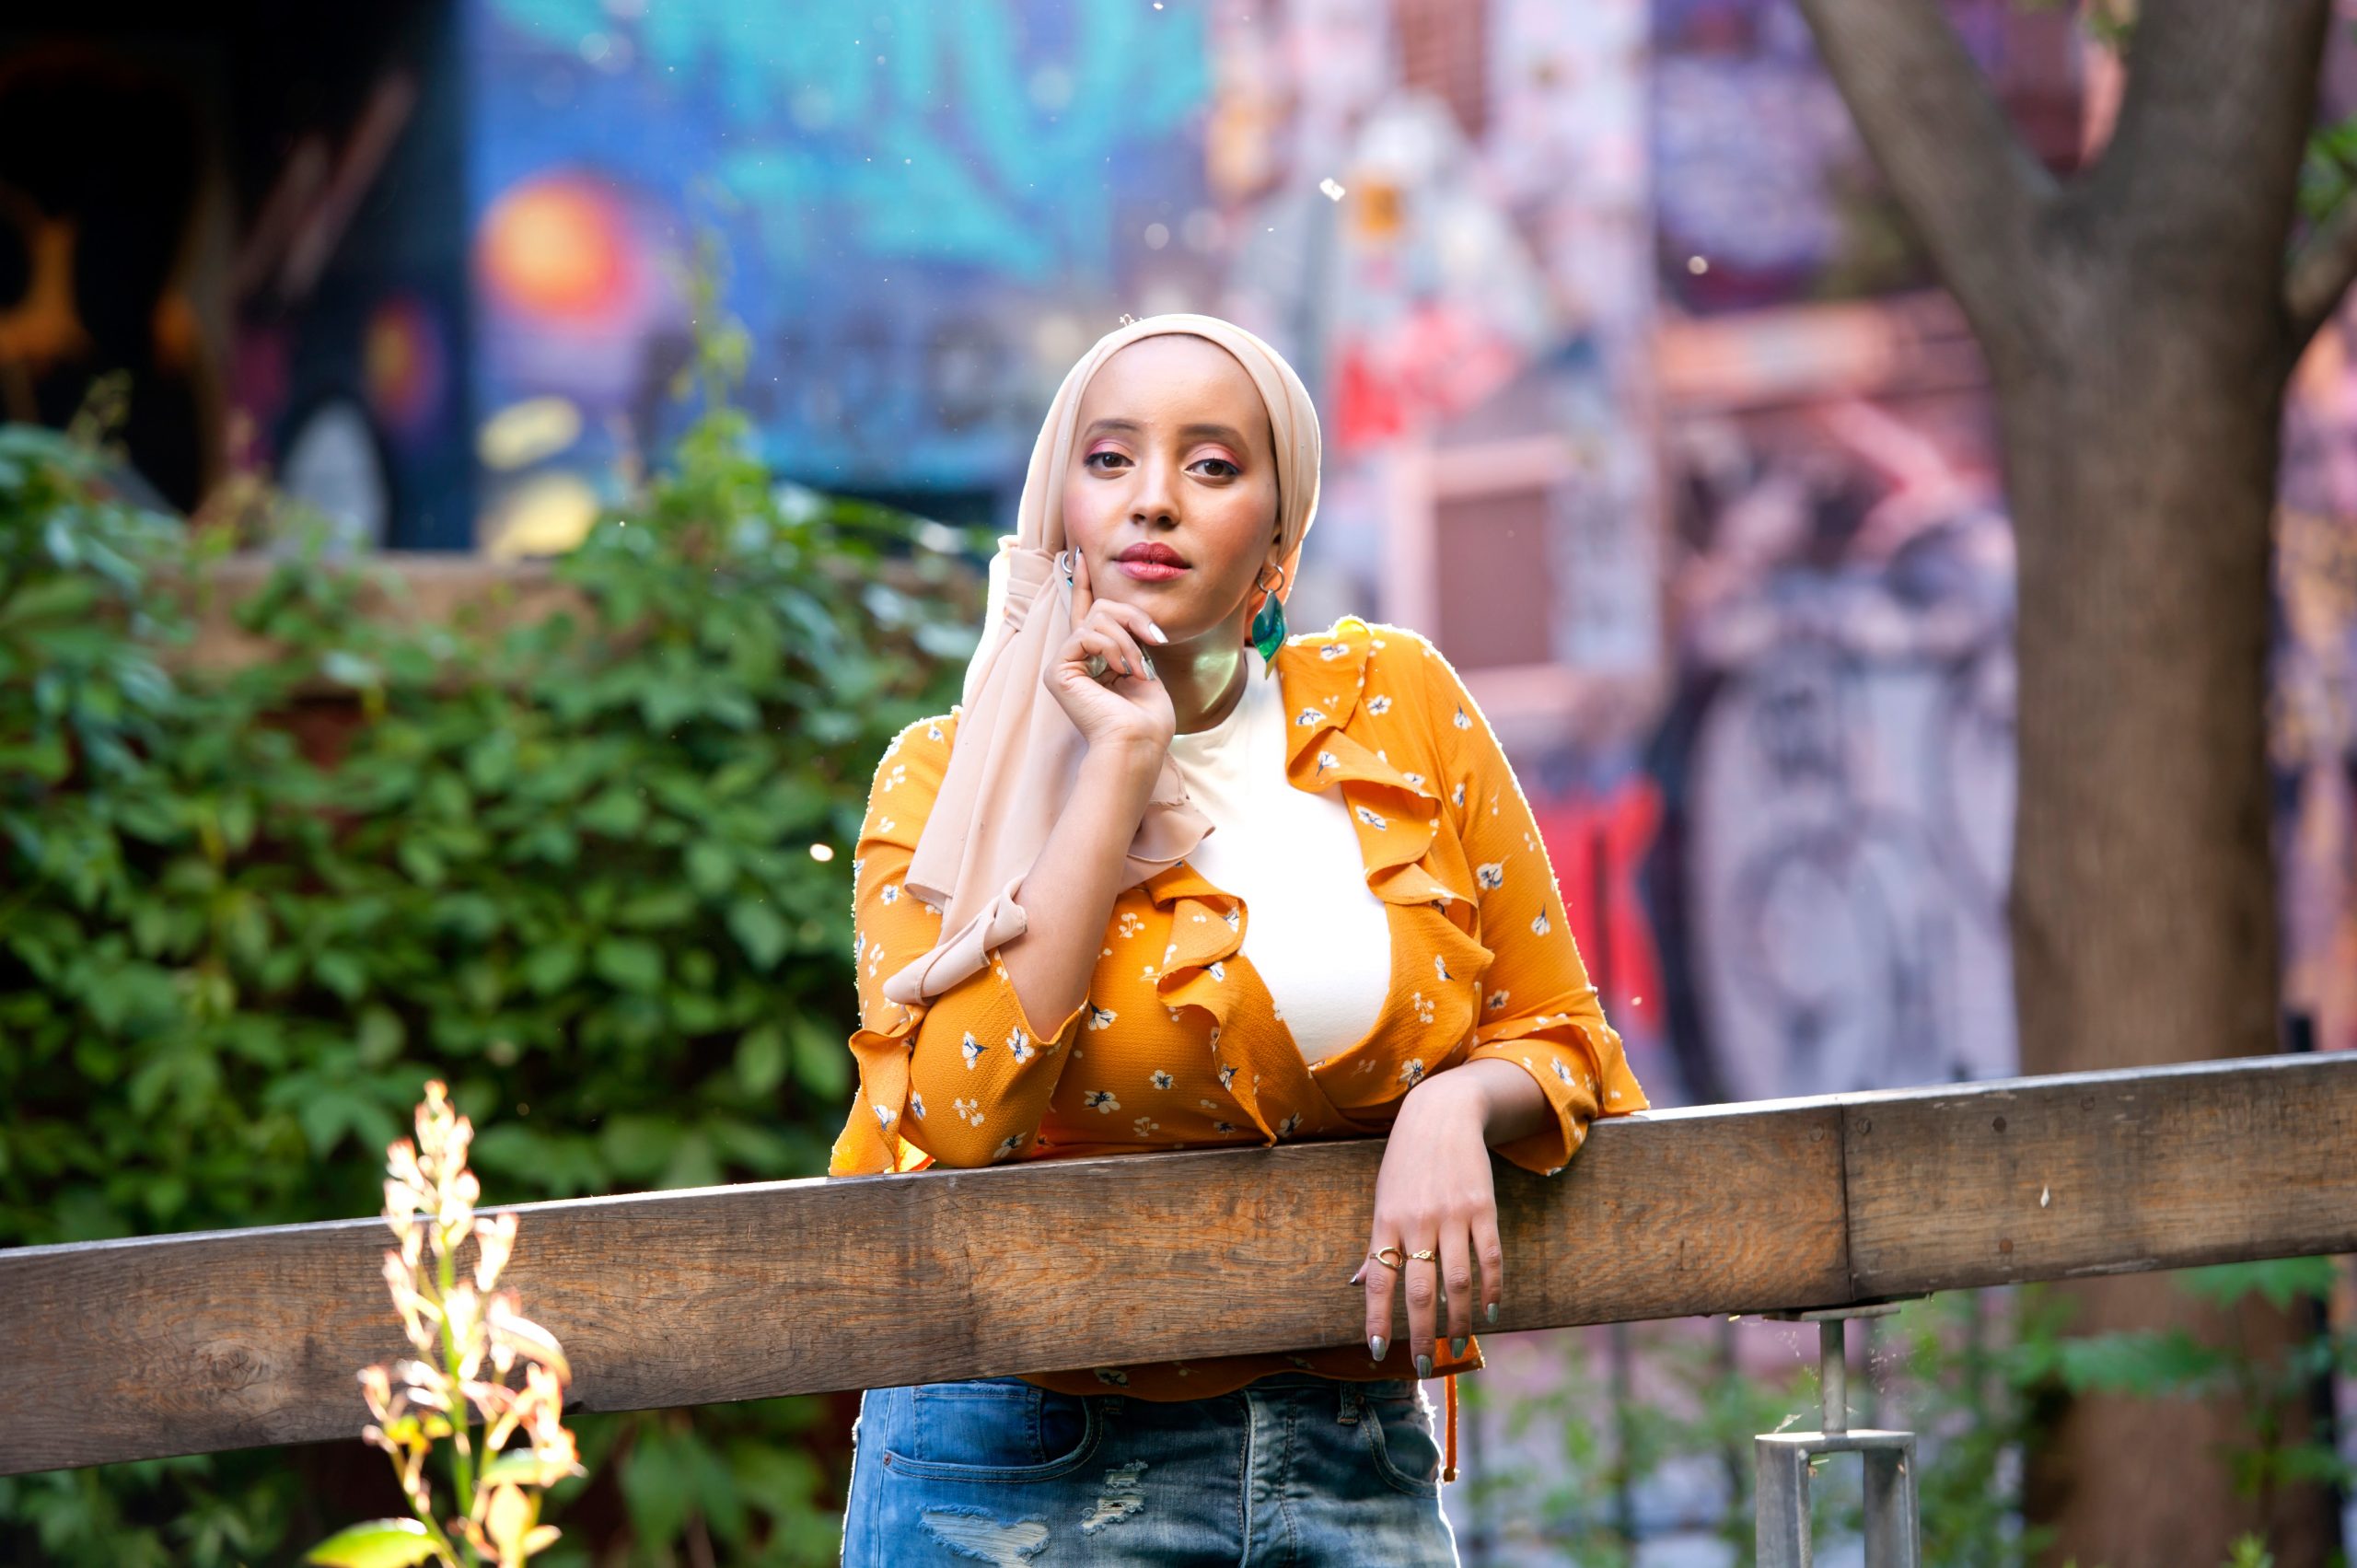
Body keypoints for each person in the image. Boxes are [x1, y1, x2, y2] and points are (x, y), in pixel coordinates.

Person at [830, 313, 1648, 1565]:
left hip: (1352, 1443)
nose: (1154, 498)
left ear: (1280, 533)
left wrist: (1455, 1108)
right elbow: (958, 1116)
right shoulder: (942, 780)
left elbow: (1560, 1033)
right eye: (1110, 459)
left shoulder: (1395, 707)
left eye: (1212, 465)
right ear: (1058, 505)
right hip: (1021, 1462)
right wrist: (1117, 767)